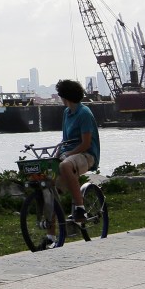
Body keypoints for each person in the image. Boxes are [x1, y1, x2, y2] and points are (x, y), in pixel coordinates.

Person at [55, 79, 99, 227]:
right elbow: (65, 140)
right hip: (71, 154)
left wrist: (67, 155)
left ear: (65, 97)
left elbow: (85, 143)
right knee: (48, 186)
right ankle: (51, 235)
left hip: (87, 155)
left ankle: (80, 209)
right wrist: (58, 152)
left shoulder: (84, 113)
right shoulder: (66, 113)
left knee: (65, 166)